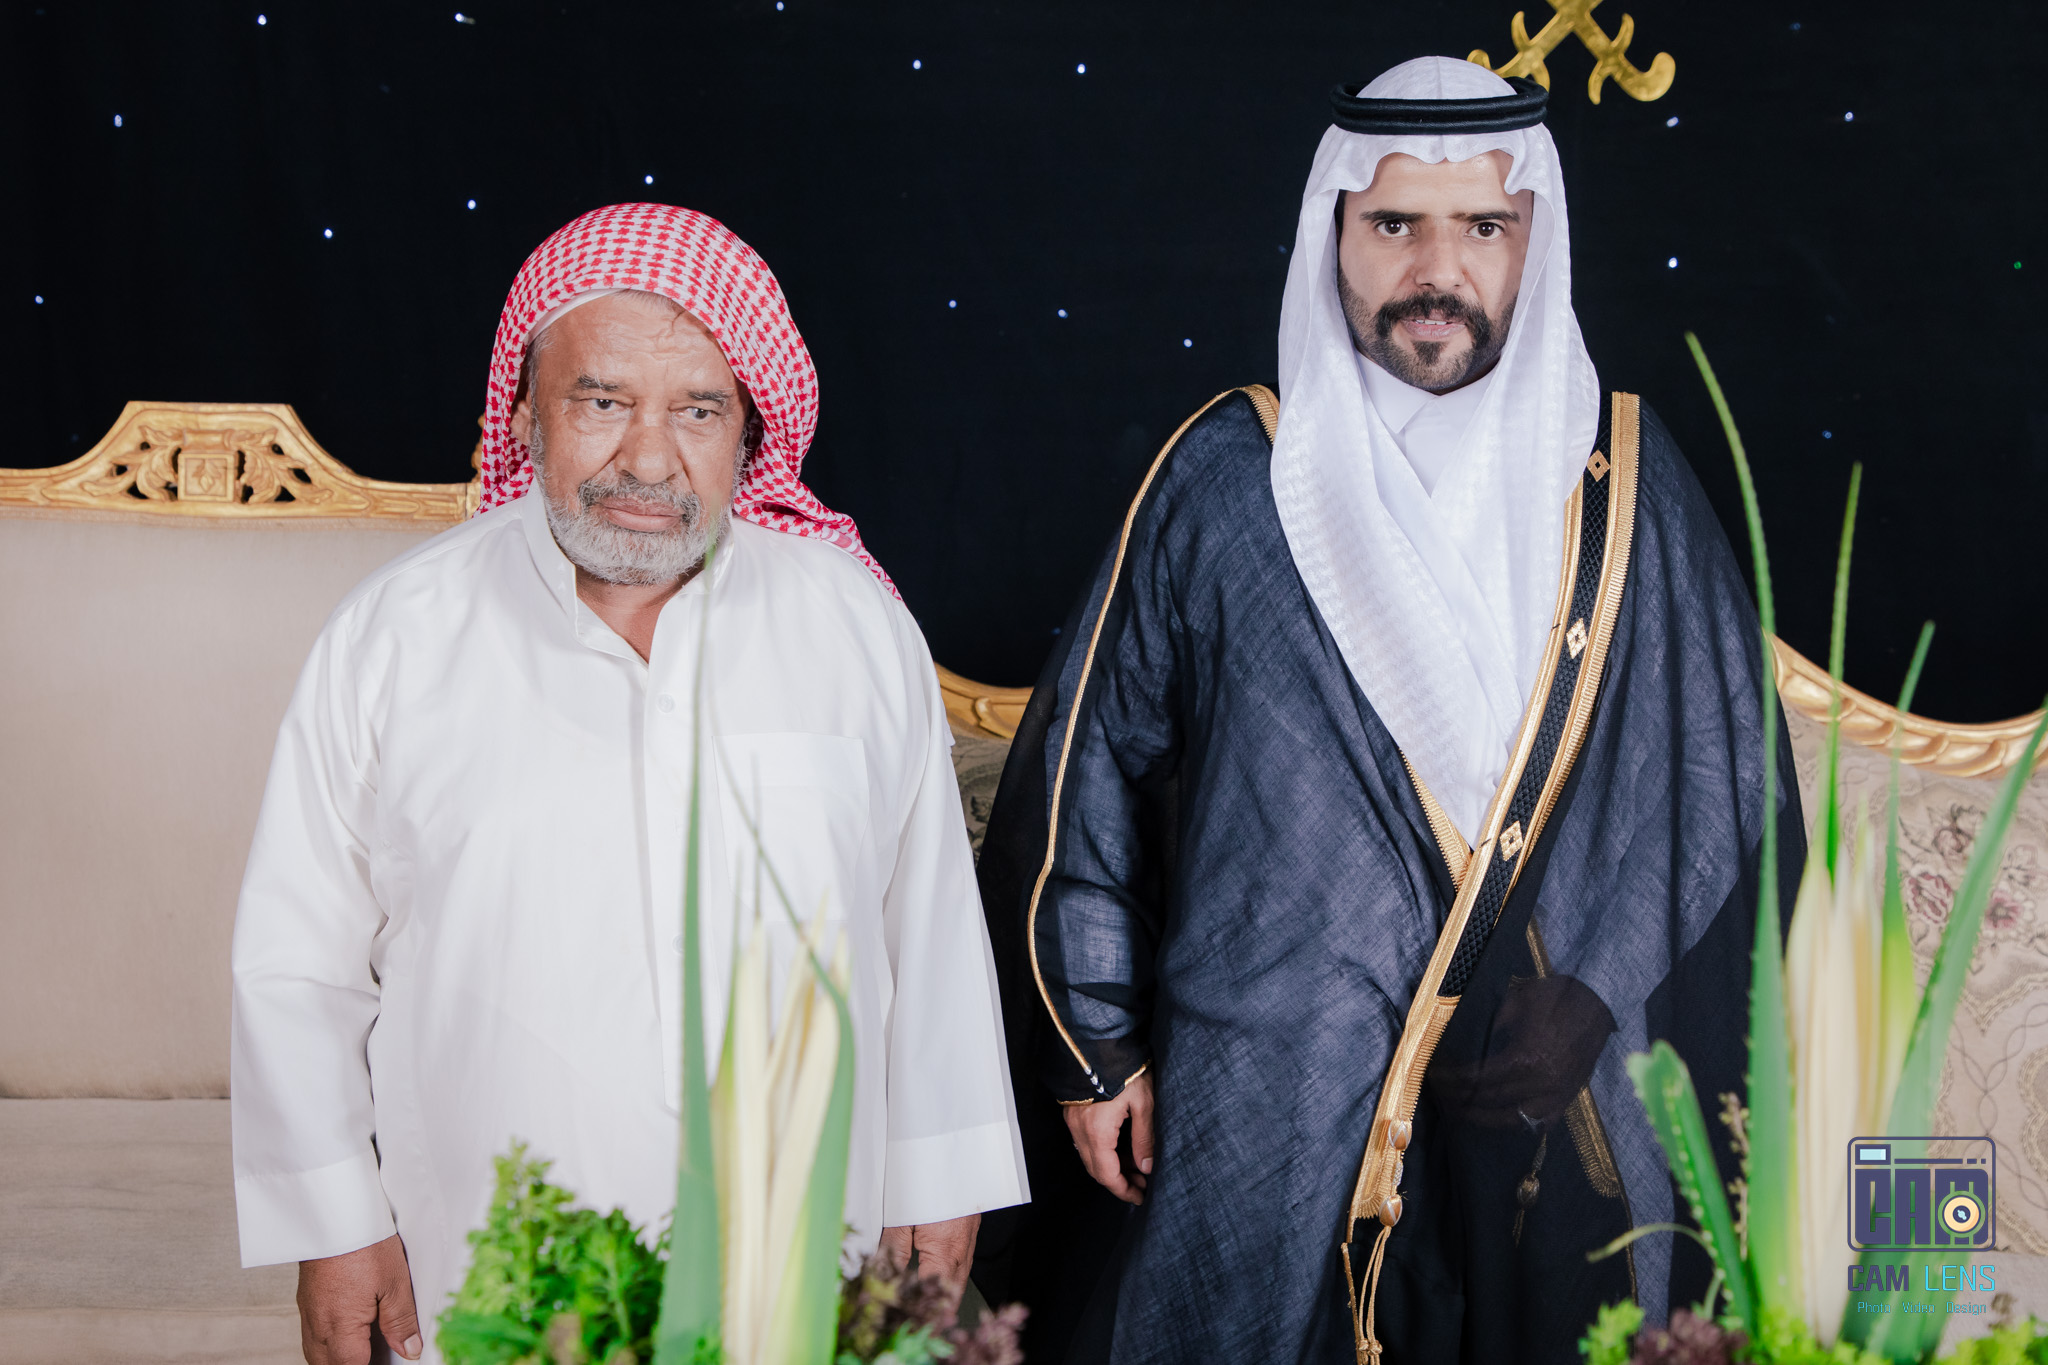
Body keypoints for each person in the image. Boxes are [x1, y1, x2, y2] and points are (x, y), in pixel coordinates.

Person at [974, 57, 1803, 1364]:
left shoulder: (1629, 483)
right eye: (1394, 224)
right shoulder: (1226, 477)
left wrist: (1596, 990)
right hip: (1263, 1089)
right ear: (1333, 237)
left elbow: (1722, 778)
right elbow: (1090, 771)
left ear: (1535, 241)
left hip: (1542, 1100)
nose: (1437, 267)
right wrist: (1098, 1045)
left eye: (1483, 226)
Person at [231, 203, 1028, 1365]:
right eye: (601, 403)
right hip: (482, 1266)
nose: (648, 461)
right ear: (524, 414)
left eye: (697, 411)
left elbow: (930, 936)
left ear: (748, 432)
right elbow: (297, 961)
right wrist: (334, 1225)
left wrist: (941, 1183)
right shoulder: (394, 636)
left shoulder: (852, 627)